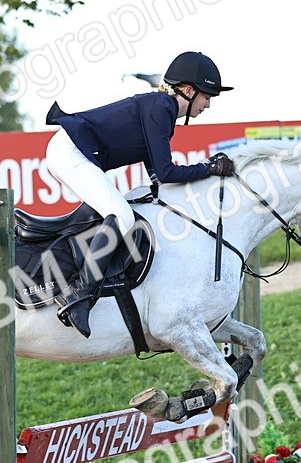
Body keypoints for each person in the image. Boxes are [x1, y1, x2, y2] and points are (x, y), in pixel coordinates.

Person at [44, 51, 235, 337]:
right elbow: (167, 172)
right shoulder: (161, 108)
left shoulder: (161, 109)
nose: (208, 104)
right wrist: (209, 168)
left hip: (70, 150)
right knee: (121, 215)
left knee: (117, 211)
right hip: (69, 151)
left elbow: (157, 177)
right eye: (207, 96)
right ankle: (78, 298)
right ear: (188, 91)